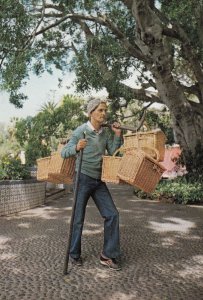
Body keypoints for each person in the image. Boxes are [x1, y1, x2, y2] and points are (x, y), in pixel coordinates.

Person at [61, 98, 122, 271]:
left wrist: (117, 135)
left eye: (105, 110)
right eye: (100, 110)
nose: (104, 114)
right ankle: (74, 254)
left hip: (98, 180)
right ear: (91, 112)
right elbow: (64, 152)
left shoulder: (104, 133)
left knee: (112, 214)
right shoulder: (81, 131)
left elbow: (113, 152)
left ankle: (107, 255)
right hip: (82, 178)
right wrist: (76, 148)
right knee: (78, 219)